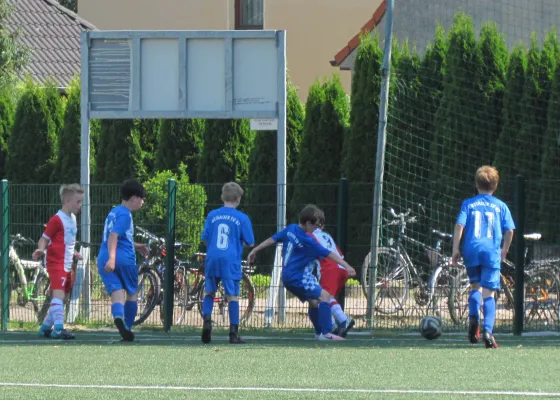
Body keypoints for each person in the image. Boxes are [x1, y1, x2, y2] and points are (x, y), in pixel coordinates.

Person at [248, 205, 356, 341]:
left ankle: (319, 334)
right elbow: (329, 254)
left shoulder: (290, 229)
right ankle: (327, 333)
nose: (317, 229)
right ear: (308, 223)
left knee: (314, 302)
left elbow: (272, 240)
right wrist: (347, 266)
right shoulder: (308, 240)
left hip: (287, 277)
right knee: (325, 296)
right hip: (299, 277)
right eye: (316, 225)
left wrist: (254, 250)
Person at [452, 166, 515, 349]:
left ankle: (473, 320)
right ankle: (487, 331)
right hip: (491, 252)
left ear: (476, 184)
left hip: (471, 250)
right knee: (489, 293)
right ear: (495, 186)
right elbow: (510, 230)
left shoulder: (468, 203)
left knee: (475, 286)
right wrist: (504, 250)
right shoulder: (501, 206)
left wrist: (456, 248)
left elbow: (459, 225)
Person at [200, 182, 255, 344]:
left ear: (222, 197)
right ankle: (233, 332)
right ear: (238, 199)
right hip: (231, 259)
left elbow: (204, 238)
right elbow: (250, 241)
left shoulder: (212, 215)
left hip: (212, 258)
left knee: (209, 292)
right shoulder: (242, 218)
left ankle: (207, 320)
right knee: (232, 296)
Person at [97, 179, 149, 342]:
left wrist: (137, 245)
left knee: (117, 291)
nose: (142, 202)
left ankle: (118, 316)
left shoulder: (114, 212)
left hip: (103, 257)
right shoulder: (126, 215)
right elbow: (114, 236)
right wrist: (114, 258)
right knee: (132, 293)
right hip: (123, 259)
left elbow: (115, 236)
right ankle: (126, 326)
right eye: (142, 198)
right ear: (134, 198)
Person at [33, 184, 84, 340]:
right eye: (78, 202)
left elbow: (67, 241)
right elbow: (44, 238)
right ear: (67, 201)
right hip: (56, 262)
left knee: (63, 296)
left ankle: (45, 328)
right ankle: (59, 329)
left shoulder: (73, 219)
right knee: (59, 294)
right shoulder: (57, 219)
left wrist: (74, 252)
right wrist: (41, 249)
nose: (80, 205)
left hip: (67, 264)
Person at [309, 219, 355, 337]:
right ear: (322, 226)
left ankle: (339, 322)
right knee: (327, 297)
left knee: (322, 297)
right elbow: (339, 254)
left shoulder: (309, 235)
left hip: (329, 269)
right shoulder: (326, 236)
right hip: (342, 269)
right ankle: (338, 322)